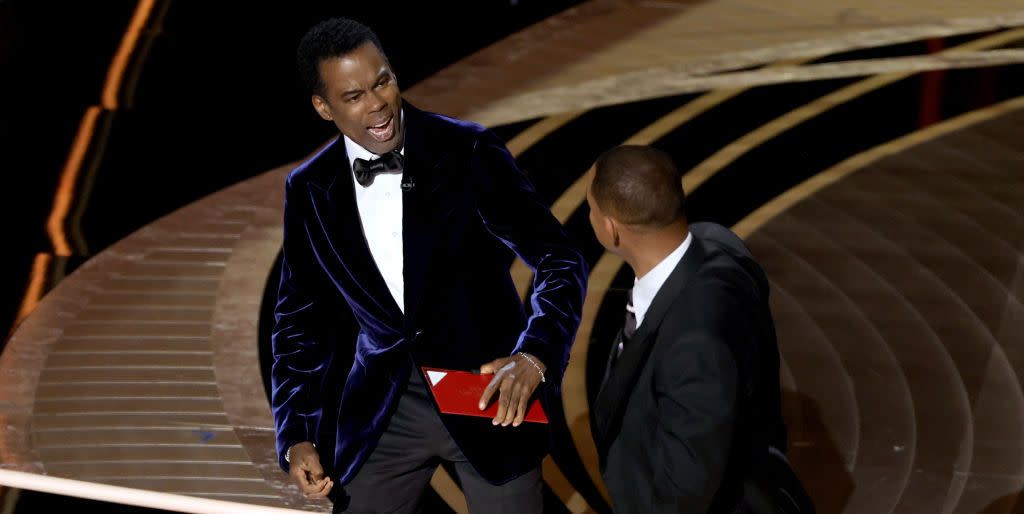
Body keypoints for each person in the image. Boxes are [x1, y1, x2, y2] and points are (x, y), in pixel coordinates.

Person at [271, 17, 588, 513]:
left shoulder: (468, 152)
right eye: (353, 96)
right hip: (385, 411)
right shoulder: (309, 188)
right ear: (323, 107)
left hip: (488, 398)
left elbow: (560, 258)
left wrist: (535, 355)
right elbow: (297, 324)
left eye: (383, 81)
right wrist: (296, 435)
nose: (377, 103)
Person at [586, 145, 809, 513]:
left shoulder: (693, 345)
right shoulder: (718, 242)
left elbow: (687, 490)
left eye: (591, 211)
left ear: (612, 231)